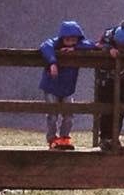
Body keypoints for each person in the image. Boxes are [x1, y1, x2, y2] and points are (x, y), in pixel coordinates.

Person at [38, 20, 96, 150]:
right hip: (51, 86)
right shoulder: (53, 44)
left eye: (74, 39)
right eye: (68, 39)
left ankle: (64, 138)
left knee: (69, 115)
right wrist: (53, 62)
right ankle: (52, 139)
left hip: (67, 88)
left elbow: (92, 44)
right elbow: (45, 46)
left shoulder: (79, 45)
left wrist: (75, 49)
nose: (70, 41)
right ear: (62, 38)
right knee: (52, 115)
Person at [95, 21, 124, 152]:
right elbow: (98, 45)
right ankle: (104, 138)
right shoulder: (108, 35)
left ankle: (115, 137)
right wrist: (109, 49)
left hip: (123, 78)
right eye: (121, 46)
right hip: (106, 78)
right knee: (106, 107)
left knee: (121, 107)